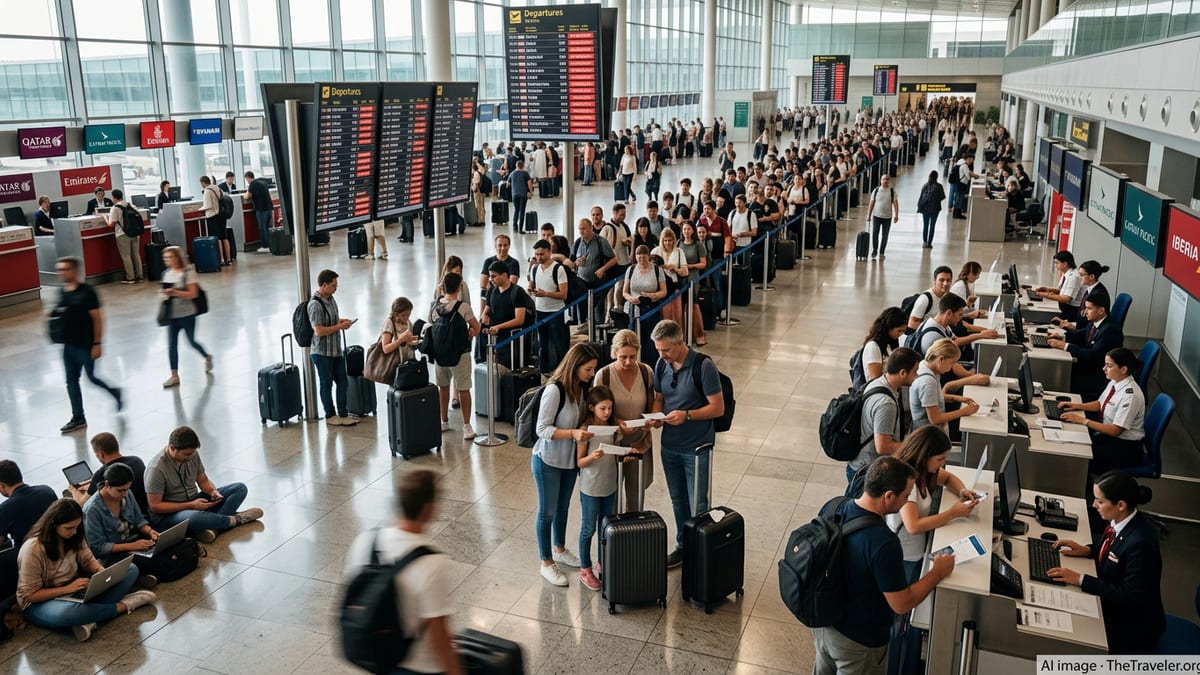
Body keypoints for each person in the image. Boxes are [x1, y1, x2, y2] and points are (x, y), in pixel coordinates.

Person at [811, 456, 954, 675]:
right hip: (858, 640)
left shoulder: (834, 505)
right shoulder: (884, 542)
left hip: (824, 625)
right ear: (889, 496)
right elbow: (901, 604)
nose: (907, 502)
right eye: (906, 496)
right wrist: (937, 573)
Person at [344, 471, 463, 675]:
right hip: (417, 665)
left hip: (375, 655)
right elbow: (438, 637)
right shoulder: (431, 561)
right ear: (429, 509)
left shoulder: (366, 541)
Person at [1046, 471, 1164, 654]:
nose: (1094, 505)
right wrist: (1087, 550)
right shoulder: (1120, 520)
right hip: (1114, 605)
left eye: (1100, 501)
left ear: (1121, 505)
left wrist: (1080, 579)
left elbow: (1130, 598)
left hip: (1131, 627)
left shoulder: (1141, 543)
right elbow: (1113, 550)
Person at [17, 499, 156, 642]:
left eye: (77, 527)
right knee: (66, 613)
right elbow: (29, 595)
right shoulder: (33, 549)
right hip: (42, 602)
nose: (74, 531)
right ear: (53, 524)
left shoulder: (75, 536)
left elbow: (89, 561)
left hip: (75, 589)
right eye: (69, 528)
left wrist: (103, 576)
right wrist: (67, 589)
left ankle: (89, 618)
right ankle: (123, 605)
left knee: (130, 569)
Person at [649, 320, 724, 568]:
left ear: (681, 342)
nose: (661, 355)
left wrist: (687, 415)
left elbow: (717, 407)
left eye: (666, 350)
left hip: (697, 448)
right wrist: (657, 417)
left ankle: (700, 553)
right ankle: (683, 546)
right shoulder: (661, 364)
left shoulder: (704, 366)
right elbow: (659, 399)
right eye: (658, 350)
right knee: (678, 499)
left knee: (699, 504)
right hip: (669, 446)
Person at [532, 343, 599, 587]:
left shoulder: (582, 389)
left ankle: (559, 548)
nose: (592, 374)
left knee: (563, 507)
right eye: (588, 369)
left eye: (594, 369)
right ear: (575, 366)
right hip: (547, 460)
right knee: (547, 510)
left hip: (569, 461)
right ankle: (546, 562)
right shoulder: (554, 390)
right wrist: (573, 433)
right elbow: (542, 430)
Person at [886, 427, 979, 582]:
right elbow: (913, 526)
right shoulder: (907, 483)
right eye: (940, 459)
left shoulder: (923, 469)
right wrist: (953, 513)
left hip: (917, 545)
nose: (943, 463)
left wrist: (962, 490)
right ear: (924, 456)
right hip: (907, 554)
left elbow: (948, 478)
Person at [144, 425, 263, 544]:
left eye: (192, 453)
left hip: (194, 502)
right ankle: (236, 519)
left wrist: (213, 492)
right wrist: (190, 505)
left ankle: (211, 527)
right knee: (195, 517)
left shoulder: (192, 455)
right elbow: (156, 506)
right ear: (172, 448)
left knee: (239, 489)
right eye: (186, 454)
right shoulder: (156, 469)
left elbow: (203, 480)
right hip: (169, 515)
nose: (190, 457)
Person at [51, 257, 123, 434]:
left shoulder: (88, 292)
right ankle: (78, 417)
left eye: (66, 269)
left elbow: (97, 319)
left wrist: (97, 343)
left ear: (75, 271)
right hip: (68, 346)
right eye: (60, 270)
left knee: (91, 377)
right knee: (71, 381)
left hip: (85, 345)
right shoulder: (62, 292)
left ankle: (115, 393)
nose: (62, 273)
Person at [1056, 347, 1146, 475]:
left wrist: (1083, 421)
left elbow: (1116, 431)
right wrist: (1076, 406)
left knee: (1079, 455)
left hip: (1125, 447)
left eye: (1109, 366)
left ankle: (1087, 489)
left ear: (1123, 369)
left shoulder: (1131, 396)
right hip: (1107, 437)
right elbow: (1100, 404)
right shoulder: (1116, 381)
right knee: (1073, 442)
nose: (1104, 369)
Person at [595, 330, 656, 511]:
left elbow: (652, 404)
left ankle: (632, 535)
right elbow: (595, 413)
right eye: (623, 357)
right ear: (614, 353)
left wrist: (651, 419)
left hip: (639, 443)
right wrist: (617, 422)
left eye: (632, 357)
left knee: (636, 497)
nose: (628, 362)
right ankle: (612, 535)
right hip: (612, 445)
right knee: (610, 498)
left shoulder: (646, 372)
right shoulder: (603, 376)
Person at [575, 385, 626, 591]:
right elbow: (579, 462)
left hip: (609, 485)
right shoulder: (586, 431)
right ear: (591, 408)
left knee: (604, 527)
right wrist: (592, 456)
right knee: (588, 528)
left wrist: (625, 453)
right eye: (602, 408)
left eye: (610, 408)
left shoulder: (613, 428)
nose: (607, 412)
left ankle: (603, 562)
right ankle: (585, 568)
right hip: (590, 488)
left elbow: (616, 454)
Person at [850, 348, 921, 484]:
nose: (916, 375)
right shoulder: (886, 404)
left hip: (862, 464)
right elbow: (883, 446)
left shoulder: (878, 382)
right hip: (868, 470)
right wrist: (913, 446)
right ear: (902, 373)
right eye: (914, 371)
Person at [81, 463, 159, 580]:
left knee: (160, 549)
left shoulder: (126, 493)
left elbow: (138, 519)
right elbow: (98, 548)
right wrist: (132, 546)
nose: (125, 494)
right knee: (150, 562)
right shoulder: (92, 510)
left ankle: (142, 576)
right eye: (120, 491)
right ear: (107, 485)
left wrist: (150, 531)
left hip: (134, 540)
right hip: (113, 554)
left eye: (127, 489)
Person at [429, 272, 480, 438]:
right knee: (464, 388)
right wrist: (470, 333)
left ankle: (443, 421)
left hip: (440, 353)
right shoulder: (463, 307)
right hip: (460, 354)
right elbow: (476, 327)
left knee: (442, 387)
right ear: (459, 287)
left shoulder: (435, 306)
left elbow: (430, 324)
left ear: (443, 287)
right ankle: (466, 426)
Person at [1046, 291, 1123, 401]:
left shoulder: (1110, 330)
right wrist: (1062, 337)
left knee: (1057, 372)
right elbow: (1081, 333)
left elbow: (1092, 355)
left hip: (1096, 374)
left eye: (1089, 308)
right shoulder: (1097, 321)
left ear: (1101, 310)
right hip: (1088, 366)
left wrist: (1065, 346)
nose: (1085, 312)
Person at [309, 269, 358, 427]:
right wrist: (339, 327)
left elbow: (333, 320)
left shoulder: (331, 299)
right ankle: (330, 415)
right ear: (324, 285)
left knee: (342, 381)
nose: (336, 288)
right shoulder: (315, 305)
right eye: (333, 285)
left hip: (335, 350)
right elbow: (318, 330)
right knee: (326, 383)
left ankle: (343, 413)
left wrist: (344, 322)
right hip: (322, 352)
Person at [159, 246, 212, 389]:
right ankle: (174, 375)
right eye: (165, 258)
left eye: (170, 257)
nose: (168, 260)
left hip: (187, 314)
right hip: (172, 314)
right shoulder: (166, 274)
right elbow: (163, 293)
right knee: (172, 345)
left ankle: (207, 356)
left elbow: (193, 294)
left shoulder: (188, 272)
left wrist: (175, 292)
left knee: (191, 341)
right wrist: (165, 295)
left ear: (177, 257)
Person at [911, 338, 983, 431]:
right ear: (940, 359)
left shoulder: (925, 365)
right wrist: (964, 411)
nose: (952, 367)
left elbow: (931, 399)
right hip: (929, 434)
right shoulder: (928, 382)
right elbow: (934, 419)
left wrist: (956, 398)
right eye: (952, 363)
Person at [68, 432, 149, 515]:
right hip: (145, 507)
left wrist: (73, 490)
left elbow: (82, 505)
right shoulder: (137, 461)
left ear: (101, 454)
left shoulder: (102, 473)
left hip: (124, 514)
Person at [528, 239, 570, 374]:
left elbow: (563, 294)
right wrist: (530, 289)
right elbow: (532, 284)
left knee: (559, 344)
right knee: (542, 345)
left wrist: (545, 293)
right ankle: (544, 371)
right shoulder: (535, 268)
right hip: (540, 310)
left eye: (542, 254)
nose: (539, 257)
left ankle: (563, 371)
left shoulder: (559, 269)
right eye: (537, 254)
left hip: (556, 311)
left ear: (550, 252)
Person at [481, 261, 531, 369]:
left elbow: (519, 319)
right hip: (496, 339)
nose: (490, 279)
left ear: (504, 275)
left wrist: (499, 327)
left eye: (493, 276)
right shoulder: (491, 291)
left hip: (513, 340)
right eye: (490, 276)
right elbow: (487, 310)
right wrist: (484, 315)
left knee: (511, 371)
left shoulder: (517, 292)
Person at [0, 460, 56, 547]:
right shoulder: (47, 491)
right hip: (56, 547)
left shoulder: (5, 508)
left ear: (1, 486)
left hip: (28, 555)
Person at [1051, 260, 1110, 328]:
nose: (1079, 277)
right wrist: (1068, 323)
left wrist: (1073, 326)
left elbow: (1091, 324)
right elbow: (1083, 315)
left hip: (1088, 332)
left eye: (1081, 275)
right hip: (1082, 326)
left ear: (1092, 276)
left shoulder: (1098, 294)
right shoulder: (1090, 290)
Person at [857, 307, 908, 384]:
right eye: (899, 331)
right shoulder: (873, 347)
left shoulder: (890, 343)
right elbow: (875, 380)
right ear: (889, 327)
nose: (901, 334)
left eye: (903, 331)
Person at [677, 222, 709, 345]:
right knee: (681, 306)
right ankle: (683, 335)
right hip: (681, 278)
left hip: (692, 279)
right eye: (684, 229)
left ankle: (699, 334)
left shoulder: (698, 245)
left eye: (688, 229)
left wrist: (689, 266)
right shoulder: (679, 244)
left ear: (693, 230)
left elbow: (703, 263)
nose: (686, 231)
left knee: (693, 306)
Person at [1033, 251, 1084, 322]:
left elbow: (1066, 298)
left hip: (1072, 311)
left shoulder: (1074, 277)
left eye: (1057, 263)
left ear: (1065, 264)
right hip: (1065, 309)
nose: (1055, 265)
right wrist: (1048, 290)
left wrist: (1045, 295)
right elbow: (1061, 290)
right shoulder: (1066, 273)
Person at [651, 228, 688, 326]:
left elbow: (685, 272)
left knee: (676, 313)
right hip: (659, 285)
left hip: (675, 285)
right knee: (663, 313)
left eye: (670, 240)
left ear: (674, 240)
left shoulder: (679, 251)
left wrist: (674, 268)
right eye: (665, 240)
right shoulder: (655, 251)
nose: (667, 243)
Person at [106, 189, 143, 284]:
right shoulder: (130, 205)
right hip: (135, 233)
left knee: (126, 256)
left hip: (122, 234)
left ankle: (130, 277)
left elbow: (111, 224)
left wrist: (105, 218)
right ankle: (140, 276)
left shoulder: (115, 208)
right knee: (136, 254)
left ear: (114, 197)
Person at [622, 245, 668, 318]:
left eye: (644, 258)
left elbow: (664, 291)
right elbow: (624, 292)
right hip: (633, 308)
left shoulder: (658, 270)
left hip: (652, 307)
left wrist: (651, 295)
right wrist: (631, 298)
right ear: (636, 257)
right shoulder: (630, 269)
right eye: (639, 258)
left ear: (648, 256)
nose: (642, 260)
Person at [479, 234, 521, 312]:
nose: (502, 248)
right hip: (487, 297)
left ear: (509, 246)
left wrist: (492, 283)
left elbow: (512, 283)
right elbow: (483, 283)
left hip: (505, 298)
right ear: (495, 246)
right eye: (500, 245)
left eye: (505, 245)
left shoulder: (513, 263)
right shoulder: (488, 261)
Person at [199, 176, 231, 267]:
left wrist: (200, 209)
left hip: (213, 217)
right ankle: (228, 259)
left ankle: (221, 259)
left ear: (203, 182)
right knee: (224, 237)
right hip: (222, 215)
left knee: (218, 239)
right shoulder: (217, 188)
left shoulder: (207, 191)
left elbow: (208, 205)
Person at [866, 174, 899, 260]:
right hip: (876, 216)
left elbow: (895, 203)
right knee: (875, 234)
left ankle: (882, 252)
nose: (885, 181)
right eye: (884, 179)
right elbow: (871, 203)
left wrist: (896, 215)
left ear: (889, 181)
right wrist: (868, 215)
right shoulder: (876, 191)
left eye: (887, 179)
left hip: (887, 217)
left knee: (885, 235)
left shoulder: (892, 192)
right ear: (881, 180)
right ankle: (875, 249)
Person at [241, 171, 274, 254]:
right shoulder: (262, 182)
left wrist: (245, 193)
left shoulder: (252, 184)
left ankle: (265, 246)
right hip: (269, 208)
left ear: (248, 178)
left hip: (261, 209)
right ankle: (271, 245)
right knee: (267, 227)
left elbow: (247, 196)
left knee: (262, 228)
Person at [509, 160, 531, 230]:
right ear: (523, 166)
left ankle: (514, 226)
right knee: (522, 211)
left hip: (514, 194)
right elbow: (529, 183)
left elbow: (508, 184)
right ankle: (520, 229)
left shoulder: (512, 173)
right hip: (523, 194)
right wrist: (530, 192)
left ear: (516, 166)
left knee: (516, 210)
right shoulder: (525, 173)